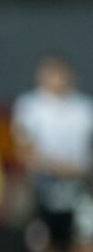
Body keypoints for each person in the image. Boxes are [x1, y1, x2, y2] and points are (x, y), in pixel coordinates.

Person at [13, 55, 93, 252]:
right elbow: (24, 151)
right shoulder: (29, 106)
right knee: (42, 241)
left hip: (79, 187)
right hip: (42, 187)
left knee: (84, 239)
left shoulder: (84, 108)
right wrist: (58, 167)